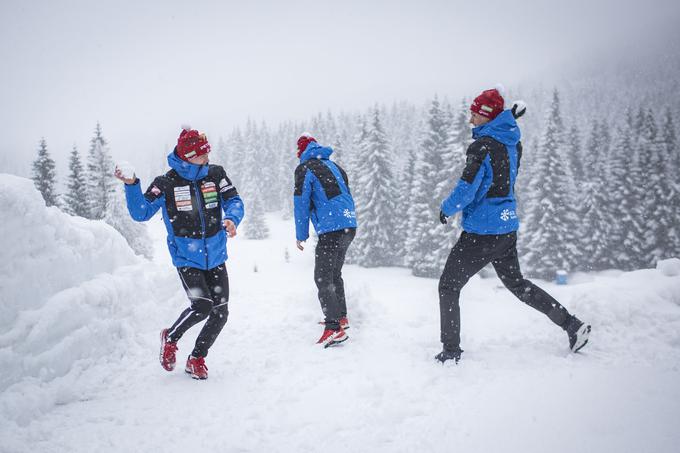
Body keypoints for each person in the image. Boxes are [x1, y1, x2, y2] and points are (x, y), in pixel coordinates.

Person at [435, 88, 591, 364]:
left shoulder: (481, 147)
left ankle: (451, 352)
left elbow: (468, 188)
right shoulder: (511, 142)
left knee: (448, 286)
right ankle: (572, 325)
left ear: (485, 116)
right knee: (519, 285)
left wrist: (446, 209)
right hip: (507, 226)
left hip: (482, 232)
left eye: (474, 114)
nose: (470, 119)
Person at [114, 126, 244, 379]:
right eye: (202, 154)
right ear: (188, 156)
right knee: (202, 306)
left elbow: (234, 200)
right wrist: (132, 185)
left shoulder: (215, 174)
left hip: (216, 254)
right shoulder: (166, 183)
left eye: (207, 153)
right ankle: (171, 337)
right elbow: (141, 213)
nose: (207, 158)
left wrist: (232, 219)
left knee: (221, 312)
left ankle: (196, 358)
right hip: (187, 257)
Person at [293, 132, 358, 348]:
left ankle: (333, 328)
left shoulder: (305, 169)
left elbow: (301, 202)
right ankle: (340, 317)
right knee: (334, 274)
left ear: (301, 153)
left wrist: (301, 235)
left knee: (322, 277)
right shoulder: (335, 166)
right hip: (349, 225)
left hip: (332, 228)